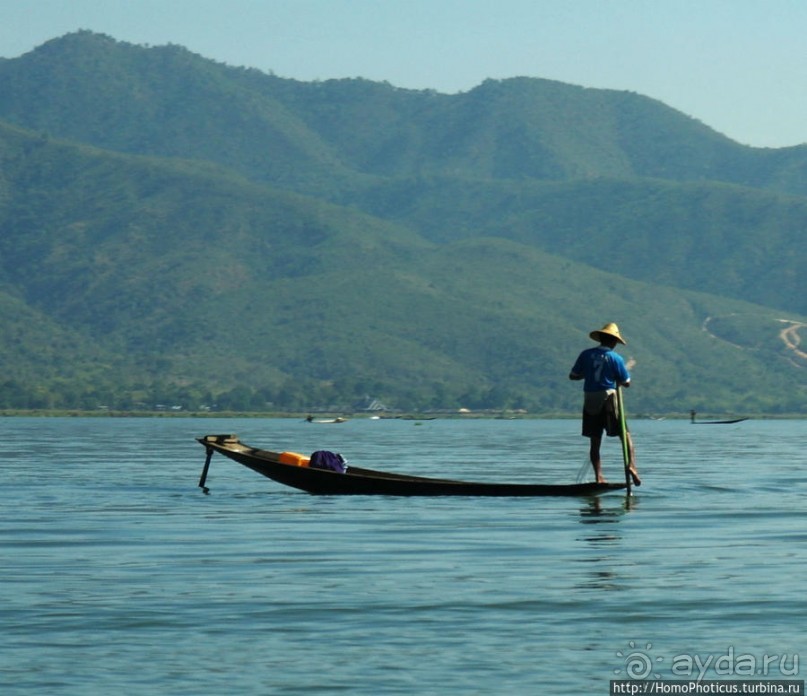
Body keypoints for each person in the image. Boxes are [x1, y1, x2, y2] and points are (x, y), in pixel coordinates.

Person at [569, 322, 641, 486]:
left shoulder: (585, 354)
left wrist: (586, 374)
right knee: (625, 435)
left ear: (601, 338)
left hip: (590, 399)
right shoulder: (615, 358)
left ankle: (598, 477)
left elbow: (573, 376)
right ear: (614, 341)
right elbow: (626, 382)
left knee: (595, 440)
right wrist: (624, 371)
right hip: (608, 398)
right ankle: (632, 466)